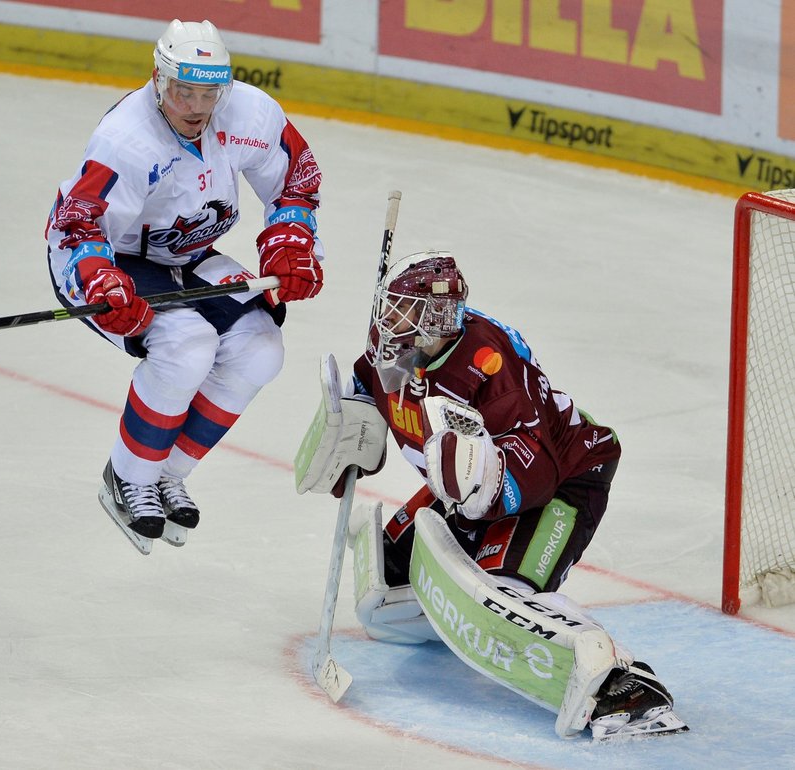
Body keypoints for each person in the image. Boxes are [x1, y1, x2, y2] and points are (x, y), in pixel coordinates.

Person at [308, 249, 686, 740]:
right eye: (390, 305)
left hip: (561, 479)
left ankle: (622, 684)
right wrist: (350, 428)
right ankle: (469, 547)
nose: (389, 318)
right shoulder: (397, 348)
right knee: (389, 582)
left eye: (403, 309)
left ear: (434, 320)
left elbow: (536, 468)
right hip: (464, 486)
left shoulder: (490, 367)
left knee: (504, 593)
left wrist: (477, 485)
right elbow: (367, 384)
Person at [45, 19, 324, 554]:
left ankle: (165, 473)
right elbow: (80, 222)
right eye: (183, 91)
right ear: (158, 80)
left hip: (186, 252)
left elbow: (296, 178)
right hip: (103, 257)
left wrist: (291, 240)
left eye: (208, 92)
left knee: (262, 350)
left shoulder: (252, 113)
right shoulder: (125, 138)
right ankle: (128, 476)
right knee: (187, 346)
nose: (195, 106)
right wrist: (100, 280)